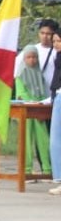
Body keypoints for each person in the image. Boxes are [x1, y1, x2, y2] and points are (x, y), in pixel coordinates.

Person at [17, 46, 53, 177]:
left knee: (44, 140)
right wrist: (34, 103)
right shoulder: (20, 74)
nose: (32, 60)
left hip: (39, 111)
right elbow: (21, 94)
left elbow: (42, 92)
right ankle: (26, 170)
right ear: (24, 58)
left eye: (34, 57)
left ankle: (47, 169)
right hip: (25, 111)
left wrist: (41, 105)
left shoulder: (38, 73)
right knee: (26, 140)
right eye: (29, 57)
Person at [14, 19, 57, 86]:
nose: (44, 36)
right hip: (34, 93)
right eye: (42, 33)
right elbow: (16, 69)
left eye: (48, 34)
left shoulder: (57, 51)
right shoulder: (31, 50)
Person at [48, 31, 61, 196]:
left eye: (59, 41)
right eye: (54, 41)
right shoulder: (57, 57)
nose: (56, 44)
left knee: (56, 140)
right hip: (58, 95)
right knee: (56, 140)